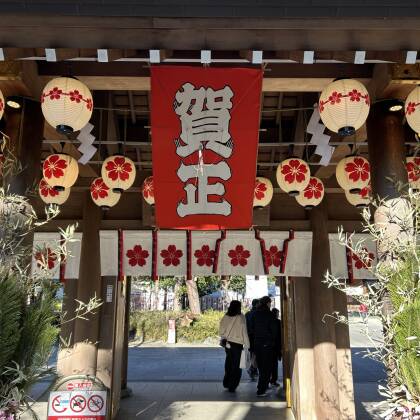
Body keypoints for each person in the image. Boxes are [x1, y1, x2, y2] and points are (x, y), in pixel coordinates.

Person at [249, 296, 278, 397]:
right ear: (267, 303)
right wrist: (272, 341)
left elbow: (251, 328)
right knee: (266, 368)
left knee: (261, 367)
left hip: (257, 343)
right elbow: (274, 331)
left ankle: (261, 387)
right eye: (270, 302)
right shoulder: (270, 315)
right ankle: (261, 390)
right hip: (267, 344)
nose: (270, 304)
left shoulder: (254, 314)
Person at [219, 300, 250, 392]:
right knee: (237, 365)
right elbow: (244, 331)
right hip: (238, 345)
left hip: (227, 344)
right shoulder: (241, 317)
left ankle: (226, 382)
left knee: (229, 363)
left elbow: (221, 331)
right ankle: (233, 385)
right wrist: (247, 344)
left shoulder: (225, 316)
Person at [245, 299, 259, 381]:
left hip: (248, 337)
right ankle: (252, 369)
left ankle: (253, 370)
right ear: (257, 304)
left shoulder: (247, 314)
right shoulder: (258, 314)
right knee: (255, 354)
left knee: (251, 354)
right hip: (256, 337)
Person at [270, 308, 282, 387]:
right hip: (276, 346)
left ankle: (269, 380)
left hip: (268, 346)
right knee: (274, 364)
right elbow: (280, 336)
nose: (278, 314)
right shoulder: (278, 322)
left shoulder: (268, 322)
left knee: (268, 365)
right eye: (278, 313)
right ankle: (273, 380)